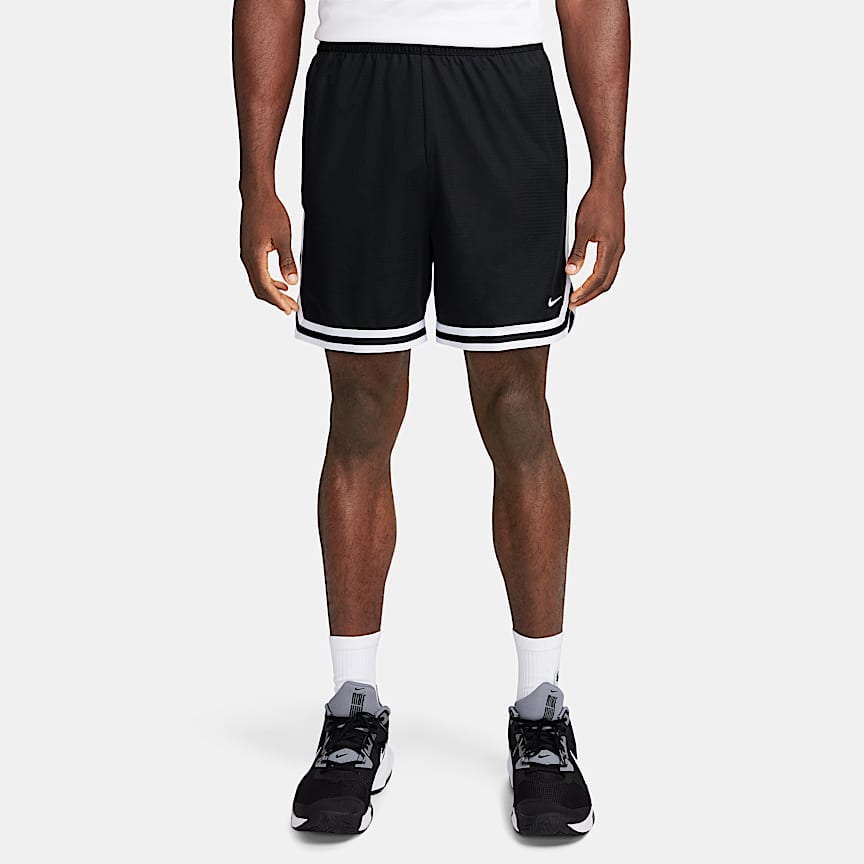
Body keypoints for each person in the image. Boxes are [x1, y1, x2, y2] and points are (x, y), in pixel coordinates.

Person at [233, 0, 629, 837]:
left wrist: (611, 173)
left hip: (501, 83)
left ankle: (541, 711)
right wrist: (255, 180)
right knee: (360, 411)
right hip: (359, 86)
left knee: (517, 409)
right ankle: (354, 709)